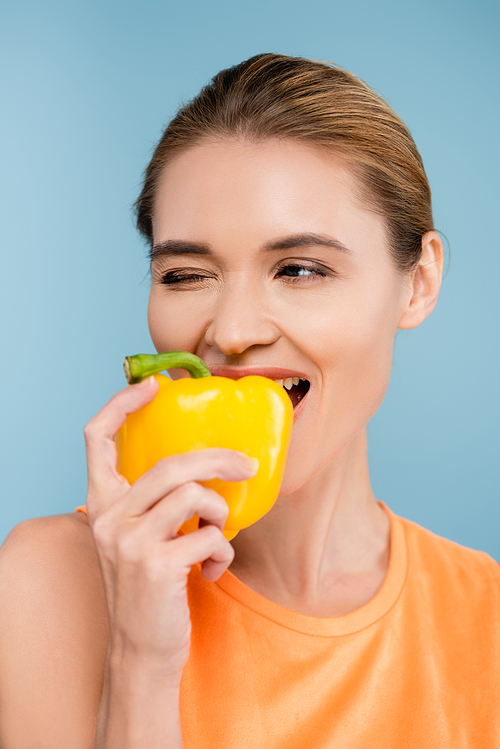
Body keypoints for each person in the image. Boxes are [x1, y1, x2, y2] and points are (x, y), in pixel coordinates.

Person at [0, 53, 499, 748]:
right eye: (186, 273)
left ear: (418, 282)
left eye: (299, 269)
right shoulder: (52, 582)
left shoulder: (486, 618)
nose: (231, 333)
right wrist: (140, 663)